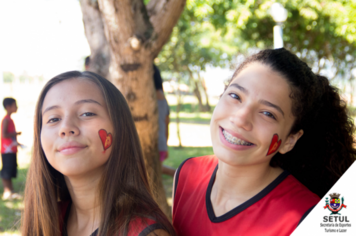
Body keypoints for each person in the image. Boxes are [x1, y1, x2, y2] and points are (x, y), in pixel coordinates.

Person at [172, 48, 356, 236]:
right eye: (235, 96)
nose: (241, 119)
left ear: (290, 140)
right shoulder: (187, 173)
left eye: (268, 114)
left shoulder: (308, 219)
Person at [22, 71, 176, 236]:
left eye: (87, 113)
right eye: (53, 119)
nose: (66, 128)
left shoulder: (145, 233)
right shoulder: (47, 220)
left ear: (119, 128)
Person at [153, 65, 176, 177]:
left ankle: (181, 174)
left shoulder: (149, 96)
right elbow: (167, 123)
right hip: (161, 142)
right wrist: (165, 145)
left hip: (153, 143)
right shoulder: (162, 96)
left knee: (154, 170)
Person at [1, 97, 22, 200]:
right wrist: (16, 133)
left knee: (11, 169)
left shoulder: (10, 120)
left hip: (11, 149)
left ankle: (11, 190)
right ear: (8, 107)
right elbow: (4, 135)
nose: (16, 107)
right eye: (15, 105)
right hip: (7, 150)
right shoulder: (6, 120)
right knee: (7, 170)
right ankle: (6, 191)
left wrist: (17, 143)